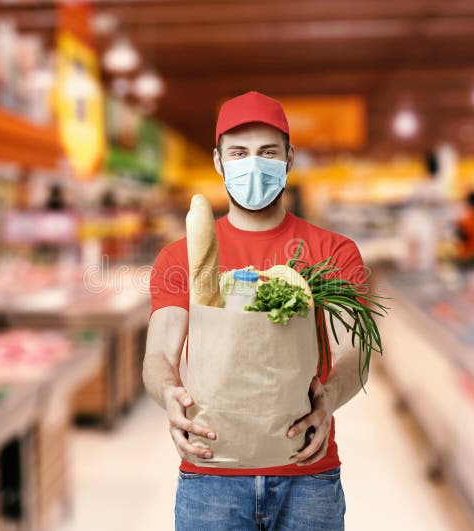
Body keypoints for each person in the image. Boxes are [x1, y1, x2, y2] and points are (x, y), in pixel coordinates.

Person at [143, 91, 366, 530]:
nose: (253, 164)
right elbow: (158, 357)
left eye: (268, 153)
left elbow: (355, 355)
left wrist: (329, 403)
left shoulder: (332, 251)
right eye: (239, 153)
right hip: (211, 473)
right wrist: (169, 395)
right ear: (218, 161)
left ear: (289, 158)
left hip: (308, 472)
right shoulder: (181, 257)